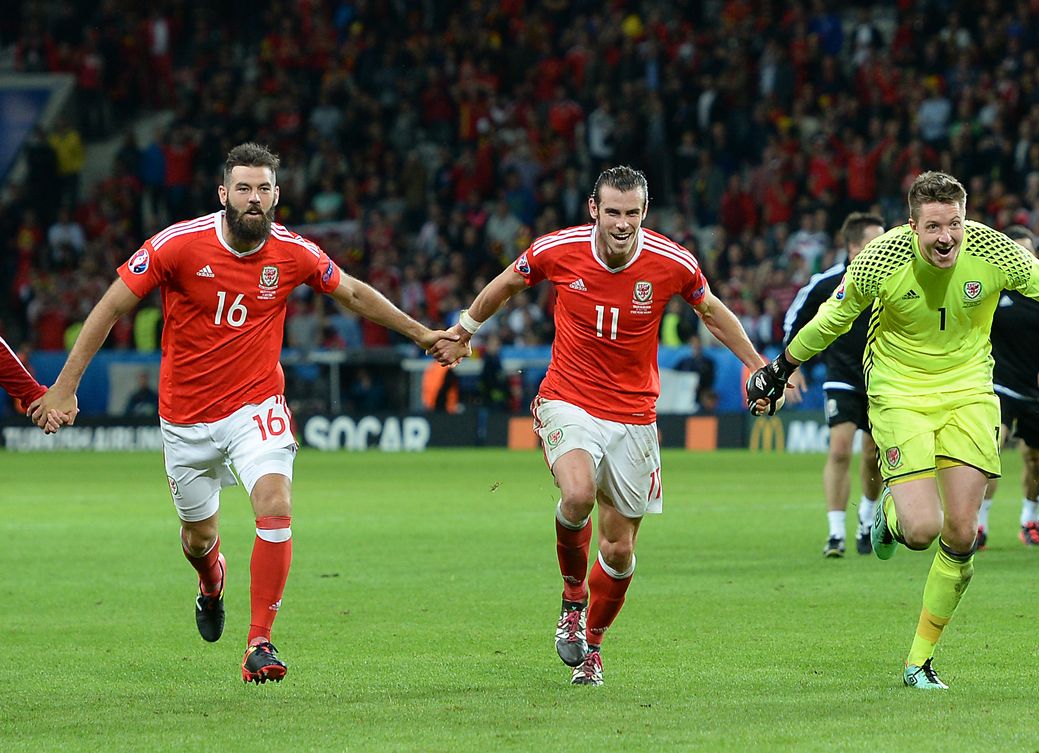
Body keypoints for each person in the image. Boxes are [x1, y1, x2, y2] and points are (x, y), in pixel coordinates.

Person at [31, 143, 455, 684]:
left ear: (276, 195)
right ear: (223, 194)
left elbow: (351, 292)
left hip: (255, 405)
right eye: (243, 189)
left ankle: (260, 642)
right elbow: (113, 304)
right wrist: (65, 388)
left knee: (275, 502)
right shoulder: (178, 246)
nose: (253, 199)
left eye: (263, 189)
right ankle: (212, 582)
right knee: (198, 540)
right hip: (185, 418)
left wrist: (423, 335)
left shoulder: (294, 252)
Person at [745, 172, 1039, 690]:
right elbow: (831, 319)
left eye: (955, 224)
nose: (946, 238)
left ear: (967, 220)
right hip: (899, 390)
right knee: (922, 531)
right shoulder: (880, 259)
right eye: (934, 227)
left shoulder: (994, 249)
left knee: (962, 534)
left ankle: (919, 662)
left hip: (968, 392)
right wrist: (780, 368)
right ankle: (892, 518)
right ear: (912, 226)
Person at [428, 166, 770, 686]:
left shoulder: (672, 262)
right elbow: (505, 285)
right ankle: (571, 598)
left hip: (634, 417)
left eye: (632, 213)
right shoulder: (557, 249)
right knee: (578, 493)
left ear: (644, 213)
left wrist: (754, 363)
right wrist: (465, 329)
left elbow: (713, 312)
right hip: (569, 399)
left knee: (619, 550)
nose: (622, 223)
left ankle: (591, 645)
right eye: (612, 211)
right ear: (594, 209)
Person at [781, 212, 885, 557]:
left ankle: (867, 520)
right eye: (875, 241)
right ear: (855, 247)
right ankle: (836, 533)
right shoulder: (827, 282)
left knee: (873, 455)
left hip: (884, 379)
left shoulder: (895, 279)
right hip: (841, 374)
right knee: (840, 449)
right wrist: (792, 368)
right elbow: (796, 318)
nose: (885, 247)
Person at [981, 226, 1039, 548]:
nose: (1022, 258)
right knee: (991, 449)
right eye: (1015, 252)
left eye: (1027, 252)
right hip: (1000, 383)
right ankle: (979, 524)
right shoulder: (990, 288)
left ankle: (1029, 519)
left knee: (1035, 458)